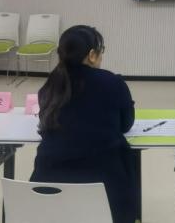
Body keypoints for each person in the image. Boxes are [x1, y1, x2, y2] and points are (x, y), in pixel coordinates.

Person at [31, 26, 138, 223]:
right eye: (101, 51)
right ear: (91, 55)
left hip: (46, 194)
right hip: (106, 192)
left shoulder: (50, 85)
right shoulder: (112, 82)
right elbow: (126, 124)